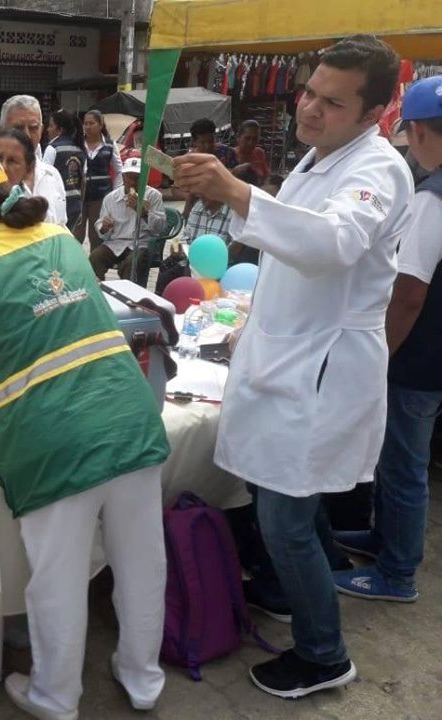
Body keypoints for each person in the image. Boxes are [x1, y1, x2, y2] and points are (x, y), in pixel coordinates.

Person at [173, 34, 414, 699]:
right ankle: (287, 587)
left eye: (332, 103)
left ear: (374, 114)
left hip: (322, 368)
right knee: (281, 498)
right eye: (310, 92)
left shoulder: (378, 170)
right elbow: (288, 248)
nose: (309, 108)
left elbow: (332, 243)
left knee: (285, 514)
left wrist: (237, 191)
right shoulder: (318, 156)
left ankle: (323, 653)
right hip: (285, 351)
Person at [0, 149, 170, 719]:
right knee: (142, 560)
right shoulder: (61, 237)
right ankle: (143, 678)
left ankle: (56, 696)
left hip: (51, 440)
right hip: (128, 416)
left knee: (56, 578)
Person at [330, 75, 442, 603]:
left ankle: (396, 573)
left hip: (416, 358)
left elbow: (409, 294)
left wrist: (382, 357)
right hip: (433, 355)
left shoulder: (431, 200)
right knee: (399, 460)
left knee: (401, 466)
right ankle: (383, 539)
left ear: (415, 131)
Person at [89, 157, 166, 286]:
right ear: (123, 178)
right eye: (130, 177)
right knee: (95, 257)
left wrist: (143, 212)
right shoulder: (111, 198)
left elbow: (160, 227)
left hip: (141, 243)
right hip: (115, 243)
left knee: (131, 262)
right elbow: (101, 227)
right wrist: (104, 227)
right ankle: (97, 290)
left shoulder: (153, 196)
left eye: (138, 178)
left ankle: (129, 292)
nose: (133, 182)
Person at [0, 129, 67, 225]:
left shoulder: (51, 176)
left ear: (29, 167)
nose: (3, 166)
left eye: (12, 161)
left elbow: (61, 223)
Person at [75, 110, 126, 248]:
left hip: (101, 196)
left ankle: (94, 261)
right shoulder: (78, 144)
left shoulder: (110, 145)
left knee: (96, 235)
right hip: (79, 195)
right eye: (85, 123)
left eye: (91, 123)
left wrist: (115, 192)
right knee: (76, 233)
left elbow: (119, 170)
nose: (87, 127)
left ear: (100, 125)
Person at [181, 118, 239, 219]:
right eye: (203, 142)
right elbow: (180, 190)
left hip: (227, 205)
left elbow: (236, 179)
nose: (207, 146)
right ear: (194, 142)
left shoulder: (227, 153)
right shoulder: (189, 161)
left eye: (211, 141)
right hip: (199, 206)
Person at [42, 108, 85, 232]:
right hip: (75, 205)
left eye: (51, 126)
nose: (47, 129)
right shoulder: (80, 149)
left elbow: (44, 180)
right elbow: (83, 182)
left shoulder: (52, 148)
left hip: (57, 206)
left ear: (60, 130)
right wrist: (80, 208)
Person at [234, 119, 270, 185]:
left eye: (255, 139)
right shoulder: (229, 155)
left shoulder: (259, 153)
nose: (251, 143)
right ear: (238, 137)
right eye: (247, 138)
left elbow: (267, 177)